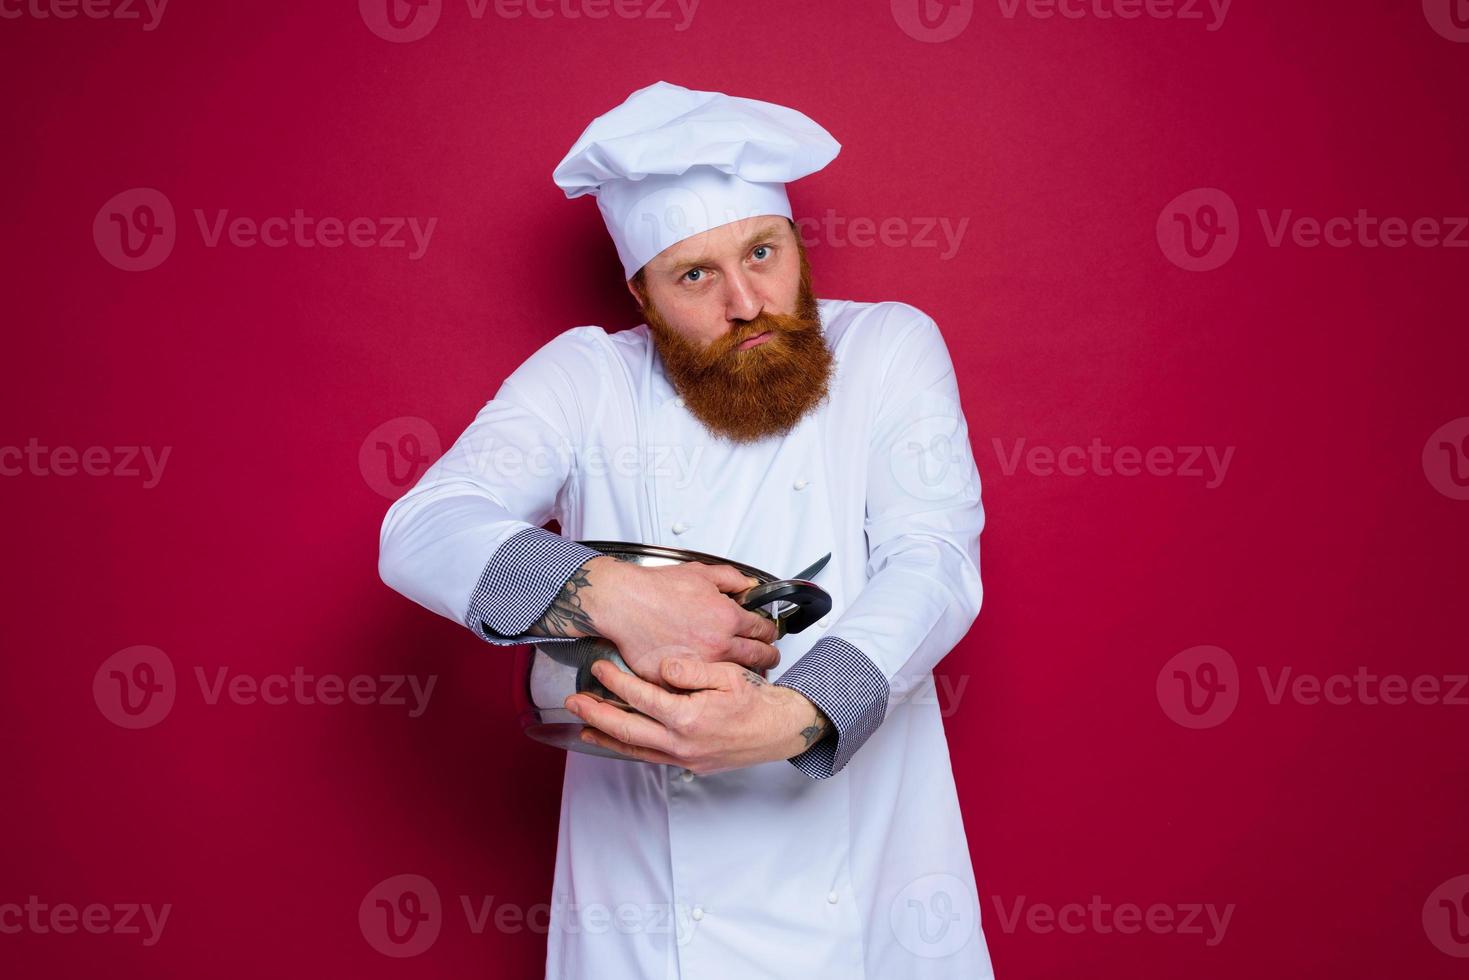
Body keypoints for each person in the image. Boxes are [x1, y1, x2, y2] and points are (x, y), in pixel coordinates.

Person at [378, 80, 995, 979]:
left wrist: (794, 712)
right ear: (642, 293)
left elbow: (932, 561)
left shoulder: (885, 349)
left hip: (867, 896)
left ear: (795, 245)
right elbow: (423, 527)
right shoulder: (587, 378)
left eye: (763, 252)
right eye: (695, 275)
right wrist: (618, 595)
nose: (746, 302)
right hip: (647, 924)